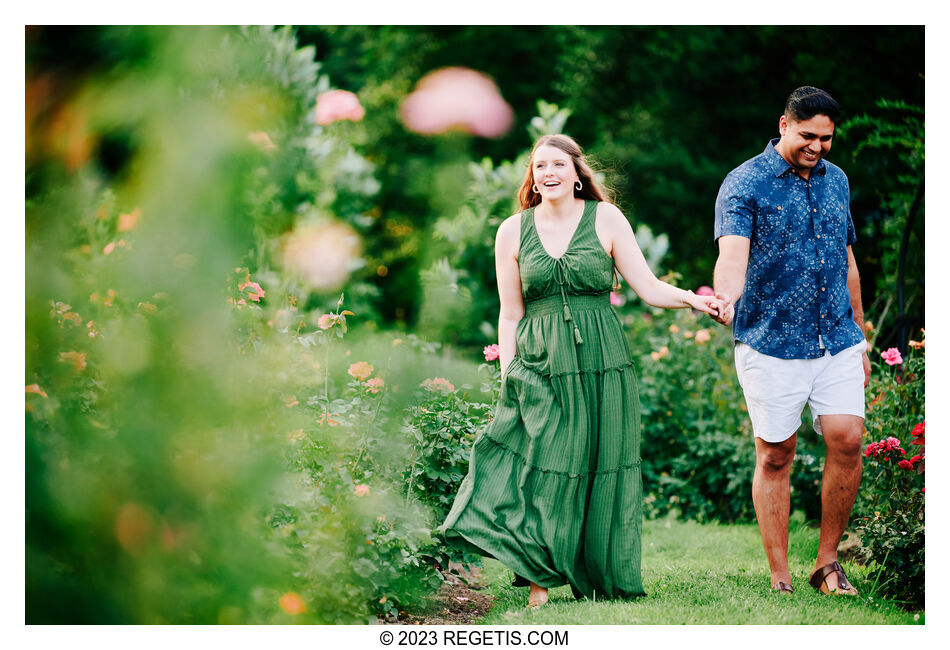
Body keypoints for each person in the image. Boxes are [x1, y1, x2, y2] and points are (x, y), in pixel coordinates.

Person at [439, 134, 723, 607]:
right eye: (539, 166)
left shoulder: (606, 219)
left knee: (595, 465)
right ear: (532, 178)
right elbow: (510, 314)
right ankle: (537, 581)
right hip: (539, 361)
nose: (547, 173)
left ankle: (596, 570)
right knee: (545, 464)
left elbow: (649, 287)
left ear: (576, 173)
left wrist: (695, 300)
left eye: (557, 164)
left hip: (600, 361)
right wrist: (509, 375)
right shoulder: (512, 231)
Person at [710, 87, 870, 596]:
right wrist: (725, 297)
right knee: (777, 453)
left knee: (848, 437)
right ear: (783, 125)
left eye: (826, 138)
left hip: (837, 339)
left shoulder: (836, 180)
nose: (818, 147)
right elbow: (733, 253)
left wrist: (860, 336)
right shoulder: (745, 183)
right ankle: (780, 572)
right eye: (808, 136)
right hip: (770, 339)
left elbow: (847, 262)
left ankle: (826, 563)